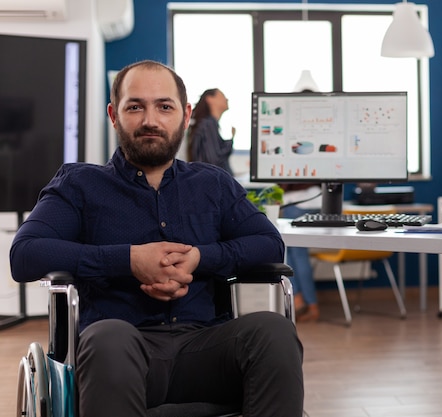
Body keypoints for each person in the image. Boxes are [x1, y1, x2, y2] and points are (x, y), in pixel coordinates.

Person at [9, 60, 304, 417]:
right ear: (114, 115)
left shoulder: (213, 184)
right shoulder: (79, 184)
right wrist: (129, 260)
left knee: (274, 330)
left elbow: (269, 243)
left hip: (206, 346)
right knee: (108, 339)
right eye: (135, 106)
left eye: (165, 106)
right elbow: (25, 255)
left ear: (185, 115)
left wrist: (200, 257)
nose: (151, 120)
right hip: (120, 351)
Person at [280, 183, 322, 322]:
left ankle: (299, 302)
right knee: (299, 252)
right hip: (317, 199)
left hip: (296, 202)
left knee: (290, 251)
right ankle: (309, 305)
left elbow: (285, 183)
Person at [187, 88, 236, 175]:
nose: (226, 99)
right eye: (222, 96)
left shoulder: (206, 124)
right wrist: (230, 141)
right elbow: (214, 159)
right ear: (210, 99)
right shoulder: (208, 124)